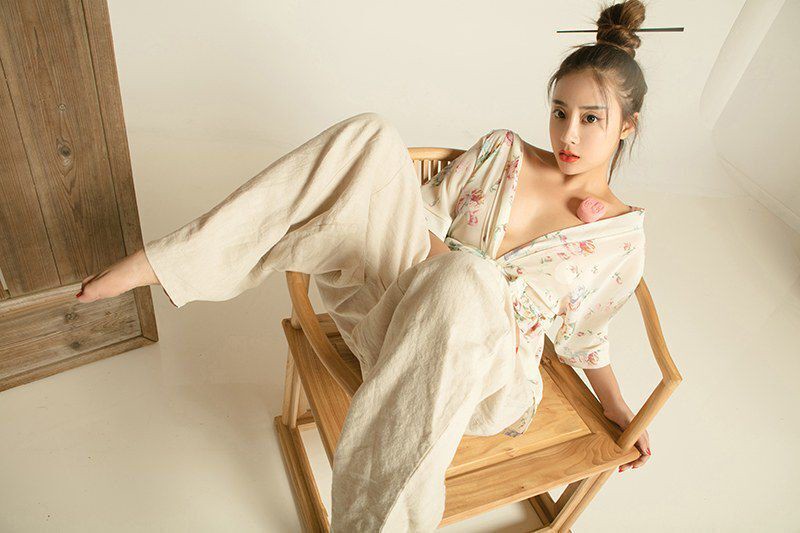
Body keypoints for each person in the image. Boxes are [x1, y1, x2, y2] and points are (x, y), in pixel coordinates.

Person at [77, 0, 654, 529]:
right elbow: (417, 219)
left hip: (486, 384)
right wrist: (447, 272)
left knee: (468, 277)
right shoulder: (502, 151)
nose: (567, 134)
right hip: (396, 318)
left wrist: (617, 406)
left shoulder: (620, 239)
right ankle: (171, 261)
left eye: (591, 119)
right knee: (372, 136)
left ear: (627, 125)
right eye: (559, 111)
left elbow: (585, 337)